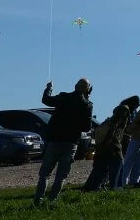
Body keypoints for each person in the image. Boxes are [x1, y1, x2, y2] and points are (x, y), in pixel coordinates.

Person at [35, 78, 93, 206]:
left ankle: (37, 201)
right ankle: (52, 201)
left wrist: (48, 88)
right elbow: (87, 127)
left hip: (55, 140)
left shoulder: (63, 97)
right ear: (88, 89)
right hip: (71, 143)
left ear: (75, 85)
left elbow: (46, 100)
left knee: (45, 174)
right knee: (60, 176)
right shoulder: (87, 105)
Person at [118, 99, 140, 189]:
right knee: (132, 161)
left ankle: (130, 181)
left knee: (137, 161)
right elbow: (136, 122)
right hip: (138, 137)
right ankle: (125, 181)